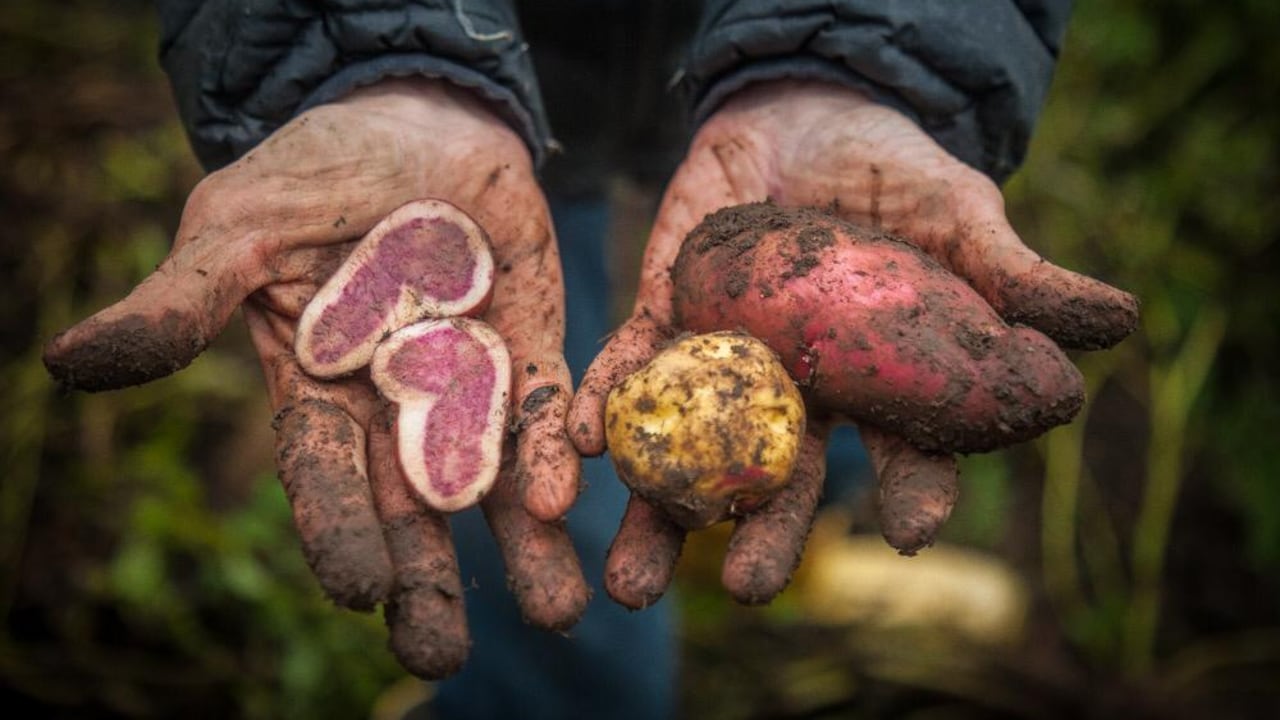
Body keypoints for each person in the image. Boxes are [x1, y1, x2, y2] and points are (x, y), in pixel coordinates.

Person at [44, 1, 1134, 718]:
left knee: (834, 397)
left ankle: (803, 532)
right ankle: (566, 688)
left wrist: (863, 57)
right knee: (553, 445)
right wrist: (365, 61)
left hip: (759, 79)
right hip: (472, 97)